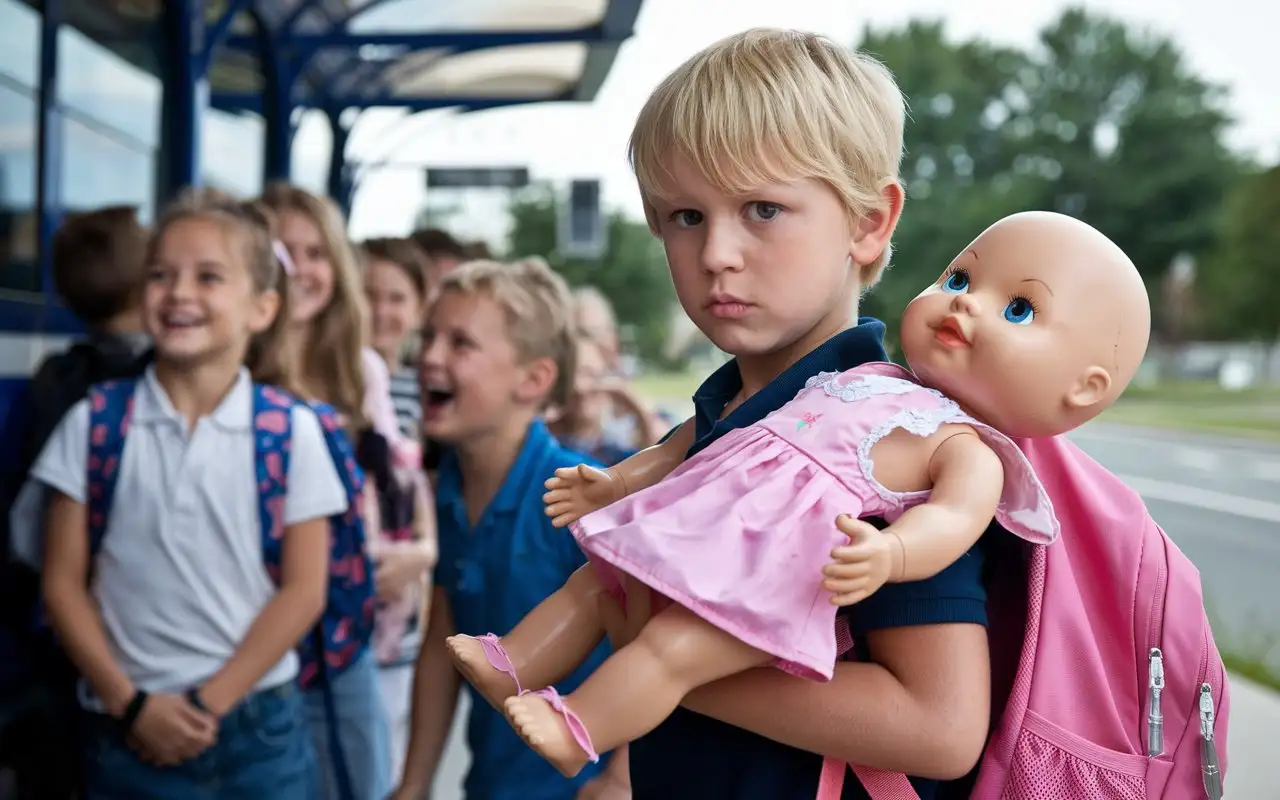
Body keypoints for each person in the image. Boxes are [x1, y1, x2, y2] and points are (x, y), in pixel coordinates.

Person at [437, 27, 966, 799]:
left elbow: (938, 727)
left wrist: (658, 668)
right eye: (684, 216)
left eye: (761, 209)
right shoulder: (723, 416)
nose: (717, 252)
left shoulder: (883, 431)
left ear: (868, 223)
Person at [448, 210, 1149, 778]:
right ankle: (512, 660)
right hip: (723, 533)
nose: (967, 307)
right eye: (961, 279)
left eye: (1020, 310)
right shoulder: (861, 378)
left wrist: (891, 555)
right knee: (596, 581)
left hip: (781, 573)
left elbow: (953, 521)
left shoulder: (965, 447)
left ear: (1082, 389)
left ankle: (580, 728)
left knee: (673, 650)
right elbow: (697, 440)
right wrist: (620, 480)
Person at [38, 190, 342, 797]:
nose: (178, 293)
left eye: (208, 277)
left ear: (261, 308)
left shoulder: (290, 431)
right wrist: (131, 706)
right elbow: (62, 583)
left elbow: (305, 590)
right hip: (123, 729)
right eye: (160, 275)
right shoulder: (94, 424)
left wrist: (209, 702)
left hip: (257, 733)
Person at [391, 259, 630, 800]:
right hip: (493, 781)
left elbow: (657, 638)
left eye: (460, 344)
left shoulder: (577, 494)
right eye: (429, 337)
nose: (427, 356)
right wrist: (414, 782)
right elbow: (442, 642)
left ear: (534, 379)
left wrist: (621, 777)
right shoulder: (450, 482)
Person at [263, 183, 431, 800]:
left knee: (362, 778)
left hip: (352, 627)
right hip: (266, 619)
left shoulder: (361, 370)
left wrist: (423, 550)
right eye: (283, 251)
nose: (301, 270)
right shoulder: (237, 370)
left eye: (315, 253)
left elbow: (403, 482)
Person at [1, 205, 153, 799]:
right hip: (131, 624)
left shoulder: (53, 377)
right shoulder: (151, 381)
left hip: (54, 628)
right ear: (148, 285)